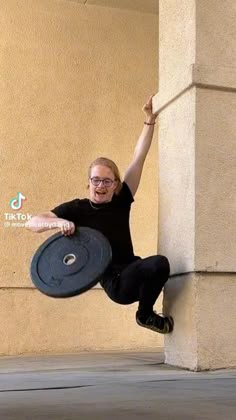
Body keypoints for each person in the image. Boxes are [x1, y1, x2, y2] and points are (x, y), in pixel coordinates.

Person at [26, 95, 173, 334]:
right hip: (116, 283)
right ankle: (145, 313)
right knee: (155, 265)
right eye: (96, 180)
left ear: (115, 184)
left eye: (107, 180)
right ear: (89, 182)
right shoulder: (77, 208)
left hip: (134, 270)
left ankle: (145, 315)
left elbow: (139, 158)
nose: (101, 185)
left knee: (159, 264)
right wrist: (60, 222)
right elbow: (32, 223)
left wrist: (149, 120)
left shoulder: (121, 200)